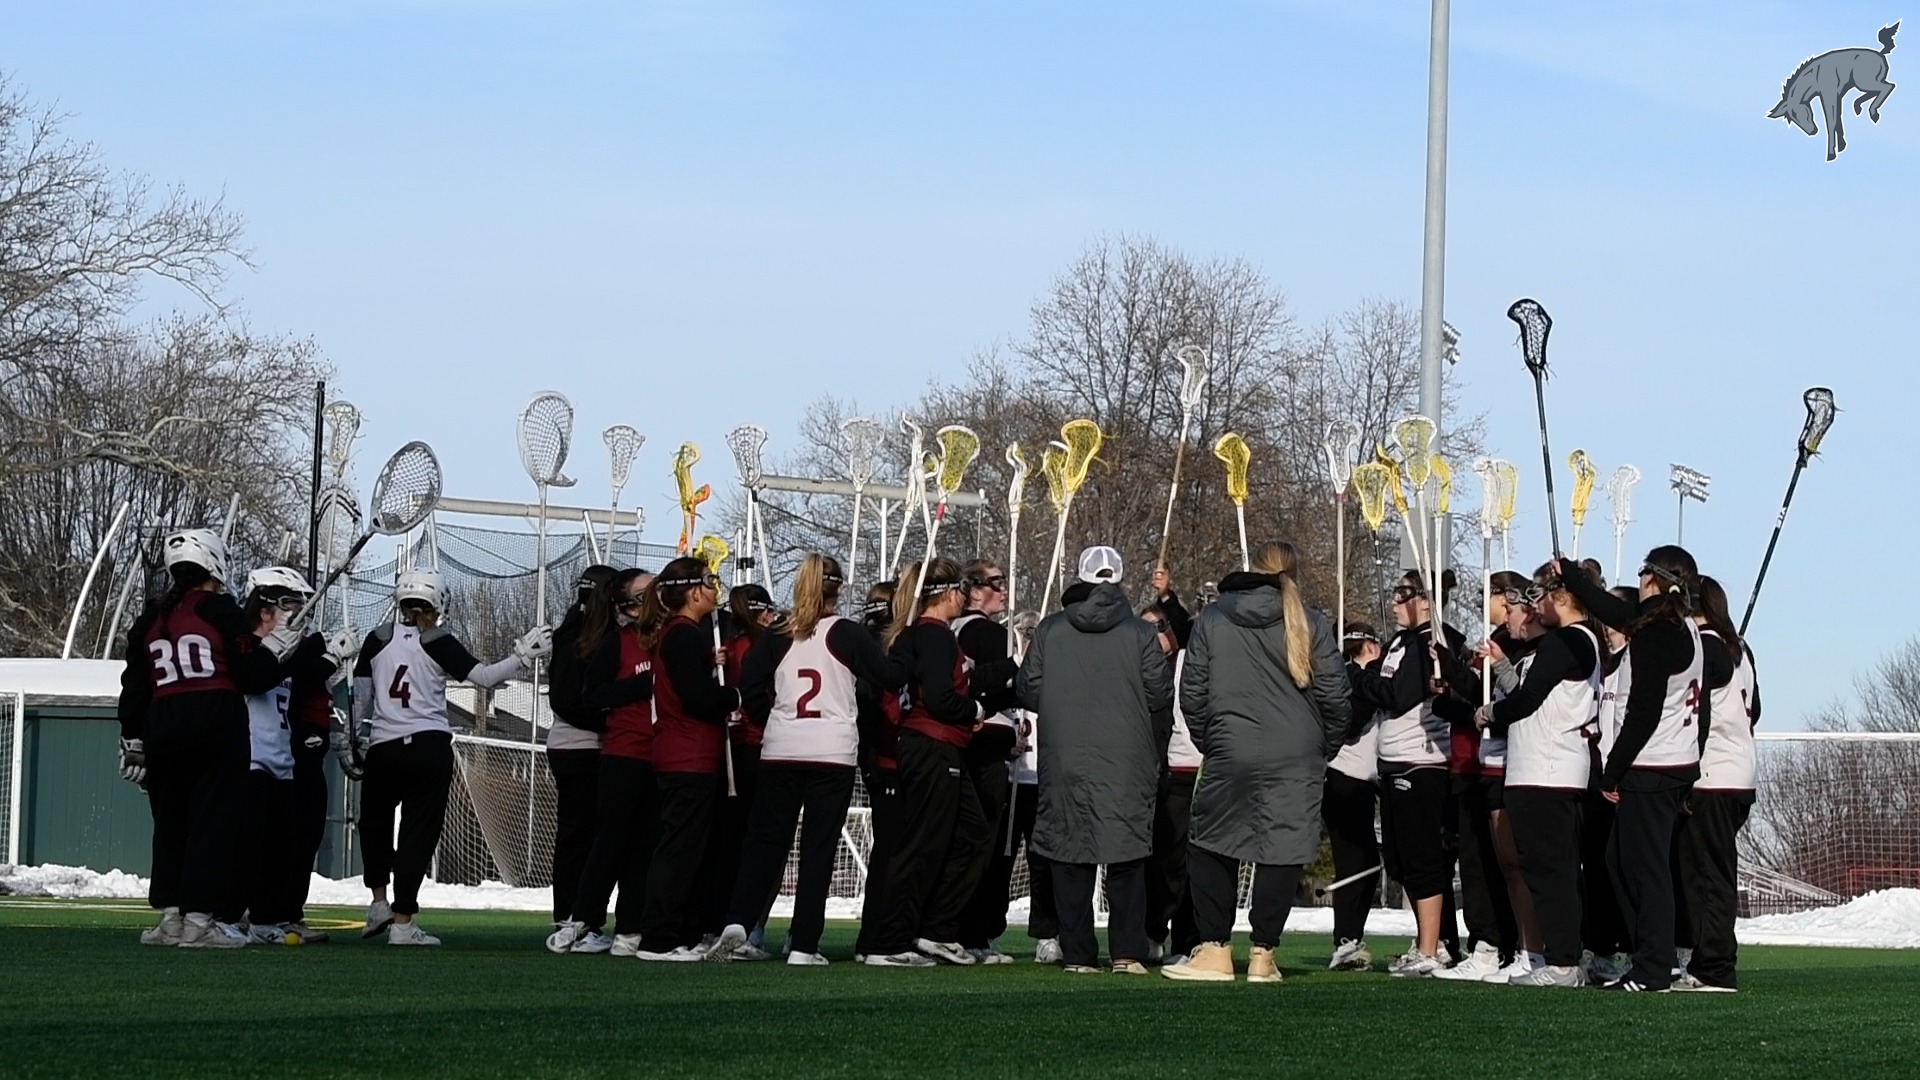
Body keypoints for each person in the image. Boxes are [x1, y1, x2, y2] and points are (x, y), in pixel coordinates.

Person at [710, 554, 909, 965]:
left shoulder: (779, 634)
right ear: (838, 589)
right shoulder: (847, 633)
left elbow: (749, 685)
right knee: (818, 847)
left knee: (764, 842)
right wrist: (902, 644)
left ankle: (739, 920)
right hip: (831, 751)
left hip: (782, 747)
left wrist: (775, 716)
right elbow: (890, 678)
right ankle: (803, 943)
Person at [1164, 542, 1350, 983]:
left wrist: (1213, 741)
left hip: (1233, 743)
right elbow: (1336, 697)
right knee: (1283, 847)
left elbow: (1191, 692)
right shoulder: (1311, 621)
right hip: (1298, 749)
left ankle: (1214, 948)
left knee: (1211, 840)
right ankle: (1264, 953)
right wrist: (1324, 746)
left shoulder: (1213, 619)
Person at [350, 568, 552, 946]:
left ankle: (378, 902)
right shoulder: (438, 641)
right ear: (438, 602)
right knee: (416, 834)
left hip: (382, 746)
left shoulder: (375, 640)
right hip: (426, 746)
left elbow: (360, 700)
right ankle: (403, 922)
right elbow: (487, 678)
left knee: (373, 825)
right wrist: (522, 657)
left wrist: (354, 739)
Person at [118, 529, 289, 948]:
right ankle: (199, 920)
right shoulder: (221, 609)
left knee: (171, 823)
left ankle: (171, 918)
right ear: (214, 563)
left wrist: (132, 737)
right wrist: (281, 650)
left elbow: (135, 684)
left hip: (162, 724)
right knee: (212, 823)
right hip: (215, 720)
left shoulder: (151, 617)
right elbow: (252, 676)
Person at [1015, 546, 1172, 974]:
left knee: (1070, 854)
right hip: (1127, 758)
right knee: (1126, 856)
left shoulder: (1050, 631)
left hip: (1063, 755)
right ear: (1119, 580)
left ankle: (1079, 953)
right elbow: (1160, 694)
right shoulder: (1140, 634)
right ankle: (1126, 952)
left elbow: (1027, 690)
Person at [1559, 546, 1704, 992]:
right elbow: (1613, 610)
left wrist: (1613, 771)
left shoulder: (1658, 631)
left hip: (1655, 763)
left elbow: (1643, 711)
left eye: (1642, 571)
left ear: (1654, 580)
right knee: (1619, 861)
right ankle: (1648, 959)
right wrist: (1572, 577)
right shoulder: (1672, 624)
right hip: (1669, 761)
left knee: (1644, 868)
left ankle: (1654, 968)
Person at [1476, 564, 1603, 987]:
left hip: (1550, 769)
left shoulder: (1571, 640)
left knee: (1552, 870)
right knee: (1546, 868)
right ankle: (1564, 957)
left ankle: (1564, 961)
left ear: (1561, 597)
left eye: (1542, 597)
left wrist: (1487, 713)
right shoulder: (1560, 643)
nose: (1534, 607)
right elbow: (1529, 693)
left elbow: (1527, 701)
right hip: (1538, 769)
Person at [865, 558, 994, 968]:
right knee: (922, 844)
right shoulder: (934, 636)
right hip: (932, 747)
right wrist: (973, 709)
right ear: (947, 593)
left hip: (934, 748)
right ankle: (890, 940)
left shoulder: (919, 635)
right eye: (963, 590)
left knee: (971, 836)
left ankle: (936, 929)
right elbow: (939, 698)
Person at [1352, 568, 1468, 977]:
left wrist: (1358, 677)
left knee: (1422, 859)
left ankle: (1433, 947)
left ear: (1425, 600)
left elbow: (1399, 696)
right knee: (1400, 861)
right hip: (1392, 758)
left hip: (1421, 761)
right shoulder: (1400, 642)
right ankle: (1429, 942)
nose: (1394, 602)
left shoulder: (1431, 642)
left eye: (1404, 595)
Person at [237, 567, 353, 945]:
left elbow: (303, 678)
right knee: (248, 844)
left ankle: (268, 919)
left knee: (281, 845)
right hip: (249, 757)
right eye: (289, 605)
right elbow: (252, 678)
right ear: (264, 608)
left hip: (281, 760)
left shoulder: (285, 653)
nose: (298, 614)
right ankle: (230, 913)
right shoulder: (245, 648)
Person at [634, 556, 741, 961]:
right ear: (695, 591)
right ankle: (659, 937)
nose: (716, 590)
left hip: (689, 754)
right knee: (679, 849)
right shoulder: (682, 635)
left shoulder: (683, 635)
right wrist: (734, 696)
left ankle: (677, 931)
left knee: (689, 849)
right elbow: (696, 698)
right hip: (686, 755)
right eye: (711, 584)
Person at [1433, 571, 1527, 983]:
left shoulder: (1509, 648)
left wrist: (1457, 677)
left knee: (1492, 863)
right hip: (1470, 764)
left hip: (1492, 765)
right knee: (1477, 863)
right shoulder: (1492, 644)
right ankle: (1490, 942)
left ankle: (1497, 942)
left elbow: (1485, 698)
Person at [559, 569, 656, 956]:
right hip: (624, 754)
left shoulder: (672, 641)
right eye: (647, 593)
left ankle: (630, 926)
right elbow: (592, 694)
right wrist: (639, 687)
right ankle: (583, 919)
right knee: (611, 841)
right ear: (629, 606)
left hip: (659, 755)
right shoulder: (619, 643)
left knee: (644, 848)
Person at [1673, 575, 1759, 993]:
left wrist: (1687, 772)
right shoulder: (1741, 650)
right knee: (1707, 872)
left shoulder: (1704, 647)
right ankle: (1705, 957)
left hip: (1712, 775)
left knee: (1708, 875)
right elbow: (1755, 709)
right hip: (1740, 773)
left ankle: (1715, 967)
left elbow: (1699, 716)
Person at [701, 582, 778, 957]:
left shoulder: (729, 647)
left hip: (733, 747)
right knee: (755, 843)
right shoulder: (756, 647)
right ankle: (746, 925)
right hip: (752, 747)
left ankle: (719, 921)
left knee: (728, 843)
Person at [543, 565, 618, 952]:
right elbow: (569, 699)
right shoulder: (585, 637)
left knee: (577, 834)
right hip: (583, 747)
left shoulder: (573, 632)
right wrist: (608, 721)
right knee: (585, 835)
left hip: (570, 744)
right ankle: (579, 918)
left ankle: (572, 915)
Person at [953, 559, 1022, 964]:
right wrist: (1017, 674)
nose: (1004, 589)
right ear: (974, 589)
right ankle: (973, 931)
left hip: (966, 742)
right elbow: (983, 686)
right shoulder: (985, 633)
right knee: (987, 842)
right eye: (996, 582)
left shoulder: (952, 630)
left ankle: (963, 927)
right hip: (985, 742)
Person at [1580, 585, 1637, 983]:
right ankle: (1601, 949)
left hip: (1624, 779)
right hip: (1596, 776)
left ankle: (1633, 949)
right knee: (1596, 867)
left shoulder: (1637, 660)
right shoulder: (1604, 661)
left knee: (1627, 867)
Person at [1324, 623, 1384, 970]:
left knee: (1369, 865)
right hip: (1343, 779)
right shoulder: (1348, 678)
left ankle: (1351, 936)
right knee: (1353, 862)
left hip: (1366, 780)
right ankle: (1345, 939)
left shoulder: (1370, 677)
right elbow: (1349, 724)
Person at [1144, 606, 1199, 967]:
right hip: (1154, 773)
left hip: (1189, 769)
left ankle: (1187, 939)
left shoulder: (1188, 664)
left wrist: (1168, 596)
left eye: (1159, 627)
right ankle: (1152, 931)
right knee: (1160, 860)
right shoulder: (1142, 669)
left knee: (1188, 861)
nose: (1153, 635)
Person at [852, 581, 902, 963]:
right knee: (891, 850)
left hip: (875, 753)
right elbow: (873, 702)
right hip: (883, 754)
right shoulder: (878, 646)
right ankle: (877, 937)